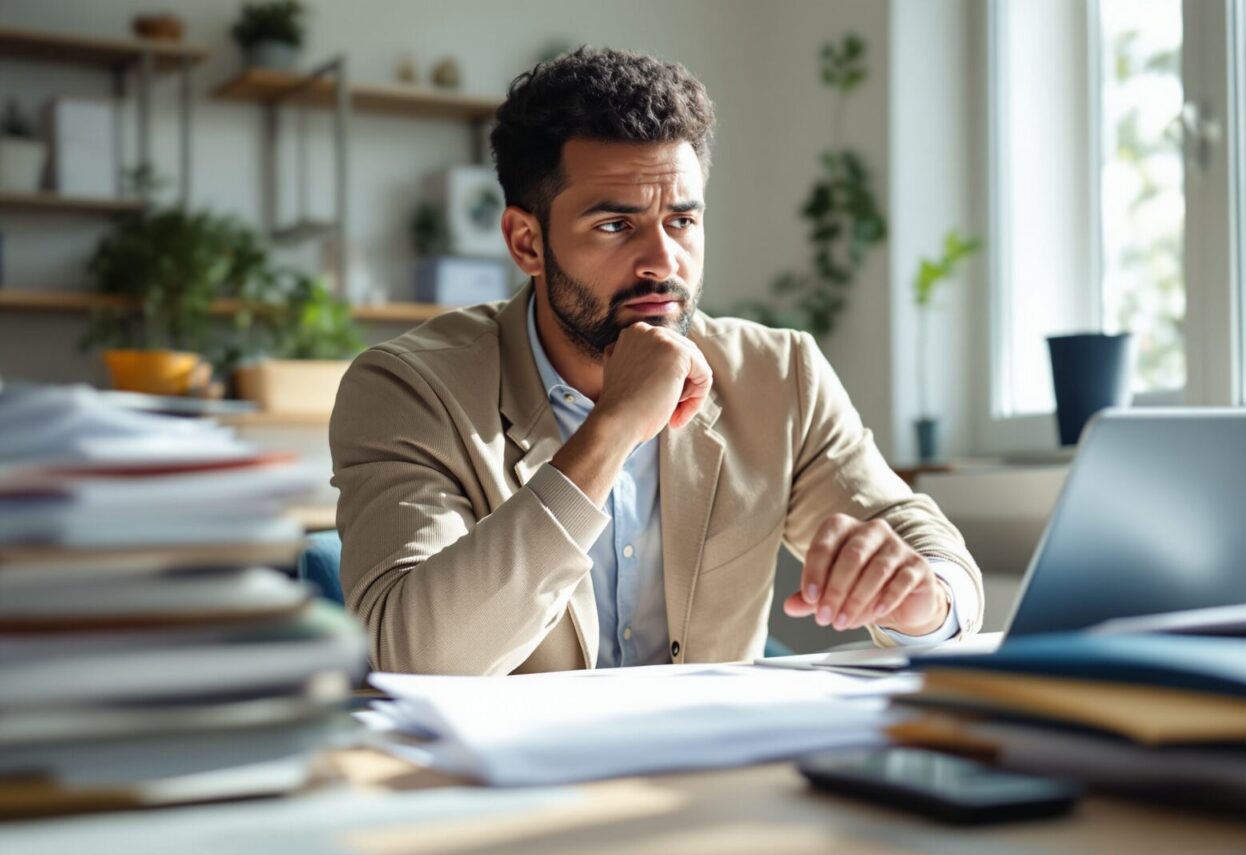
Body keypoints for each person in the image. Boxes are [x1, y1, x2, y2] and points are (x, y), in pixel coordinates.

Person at [329, 47, 982, 675]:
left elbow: (927, 549)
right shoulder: (407, 389)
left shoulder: (779, 375)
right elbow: (416, 658)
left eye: (682, 221)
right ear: (526, 242)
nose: (663, 262)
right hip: (510, 780)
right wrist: (612, 428)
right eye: (616, 226)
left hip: (710, 773)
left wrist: (922, 599)